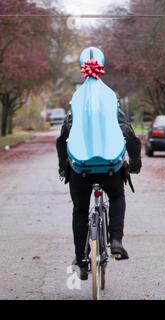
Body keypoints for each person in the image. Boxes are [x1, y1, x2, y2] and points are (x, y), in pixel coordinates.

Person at [56, 47, 141, 280]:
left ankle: (82, 262)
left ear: (81, 69)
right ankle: (115, 240)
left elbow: (63, 138)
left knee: (80, 210)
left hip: (80, 170)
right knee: (116, 197)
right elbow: (128, 134)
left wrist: (64, 167)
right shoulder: (110, 97)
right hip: (110, 168)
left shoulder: (76, 99)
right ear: (102, 66)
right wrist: (135, 161)